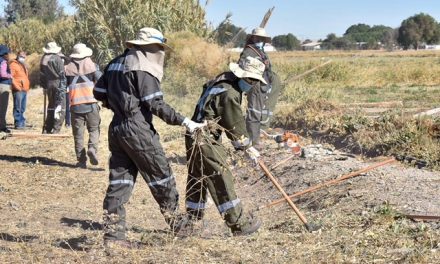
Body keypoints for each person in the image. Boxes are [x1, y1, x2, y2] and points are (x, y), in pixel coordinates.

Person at [93, 27, 205, 247]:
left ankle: (113, 237)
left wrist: (117, 104)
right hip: (138, 129)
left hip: (117, 128)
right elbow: (155, 103)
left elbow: (99, 92)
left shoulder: (116, 62)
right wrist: (185, 121)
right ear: (150, 48)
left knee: (119, 181)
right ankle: (178, 226)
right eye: (158, 48)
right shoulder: (142, 67)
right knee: (161, 176)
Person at [184, 56, 265, 236]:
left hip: (193, 134)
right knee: (220, 176)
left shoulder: (221, 80)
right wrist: (246, 146)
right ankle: (239, 225)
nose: (252, 84)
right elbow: (234, 123)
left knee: (197, 176)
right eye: (250, 79)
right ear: (241, 75)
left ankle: (192, 221)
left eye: (255, 80)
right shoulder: (230, 93)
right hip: (205, 137)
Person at [239, 27, 282, 148]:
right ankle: (254, 141)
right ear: (253, 38)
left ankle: (258, 134)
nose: (260, 40)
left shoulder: (261, 51)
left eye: (262, 39)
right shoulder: (248, 51)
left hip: (264, 84)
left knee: (261, 111)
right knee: (254, 112)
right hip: (255, 84)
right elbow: (244, 66)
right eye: (258, 38)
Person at [65, 43, 101, 168]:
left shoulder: (67, 69)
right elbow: (101, 81)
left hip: (75, 105)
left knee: (78, 134)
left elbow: (63, 88)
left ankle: (81, 161)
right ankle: (92, 148)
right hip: (91, 103)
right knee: (94, 129)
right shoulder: (92, 66)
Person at [40, 42, 67, 134]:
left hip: (49, 83)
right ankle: (56, 128)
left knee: (51, 106)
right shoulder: (57, 58)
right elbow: (62, 74)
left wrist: (44, 86)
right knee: (60, 106)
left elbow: (42, 74)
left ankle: (47, 127)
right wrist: (63, 88)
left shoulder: (43, 58)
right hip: (58, 83)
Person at [10, 51, 30, 129]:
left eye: (24, 56)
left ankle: (22, 122)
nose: (23, 58)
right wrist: (16, 86)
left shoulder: (22, 65)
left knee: (22, 107)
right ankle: (18, 123)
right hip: (18, 89)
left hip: (24, 88)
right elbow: (11, 77)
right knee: (17, 107)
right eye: (21, 56)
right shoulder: (13, 65)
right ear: (18, 55)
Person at [0, 45, 12, 133]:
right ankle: (2, 127)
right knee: (3, 107)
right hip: (3, 85)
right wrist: (10, 76)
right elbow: (3, 74)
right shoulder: (3, 62)